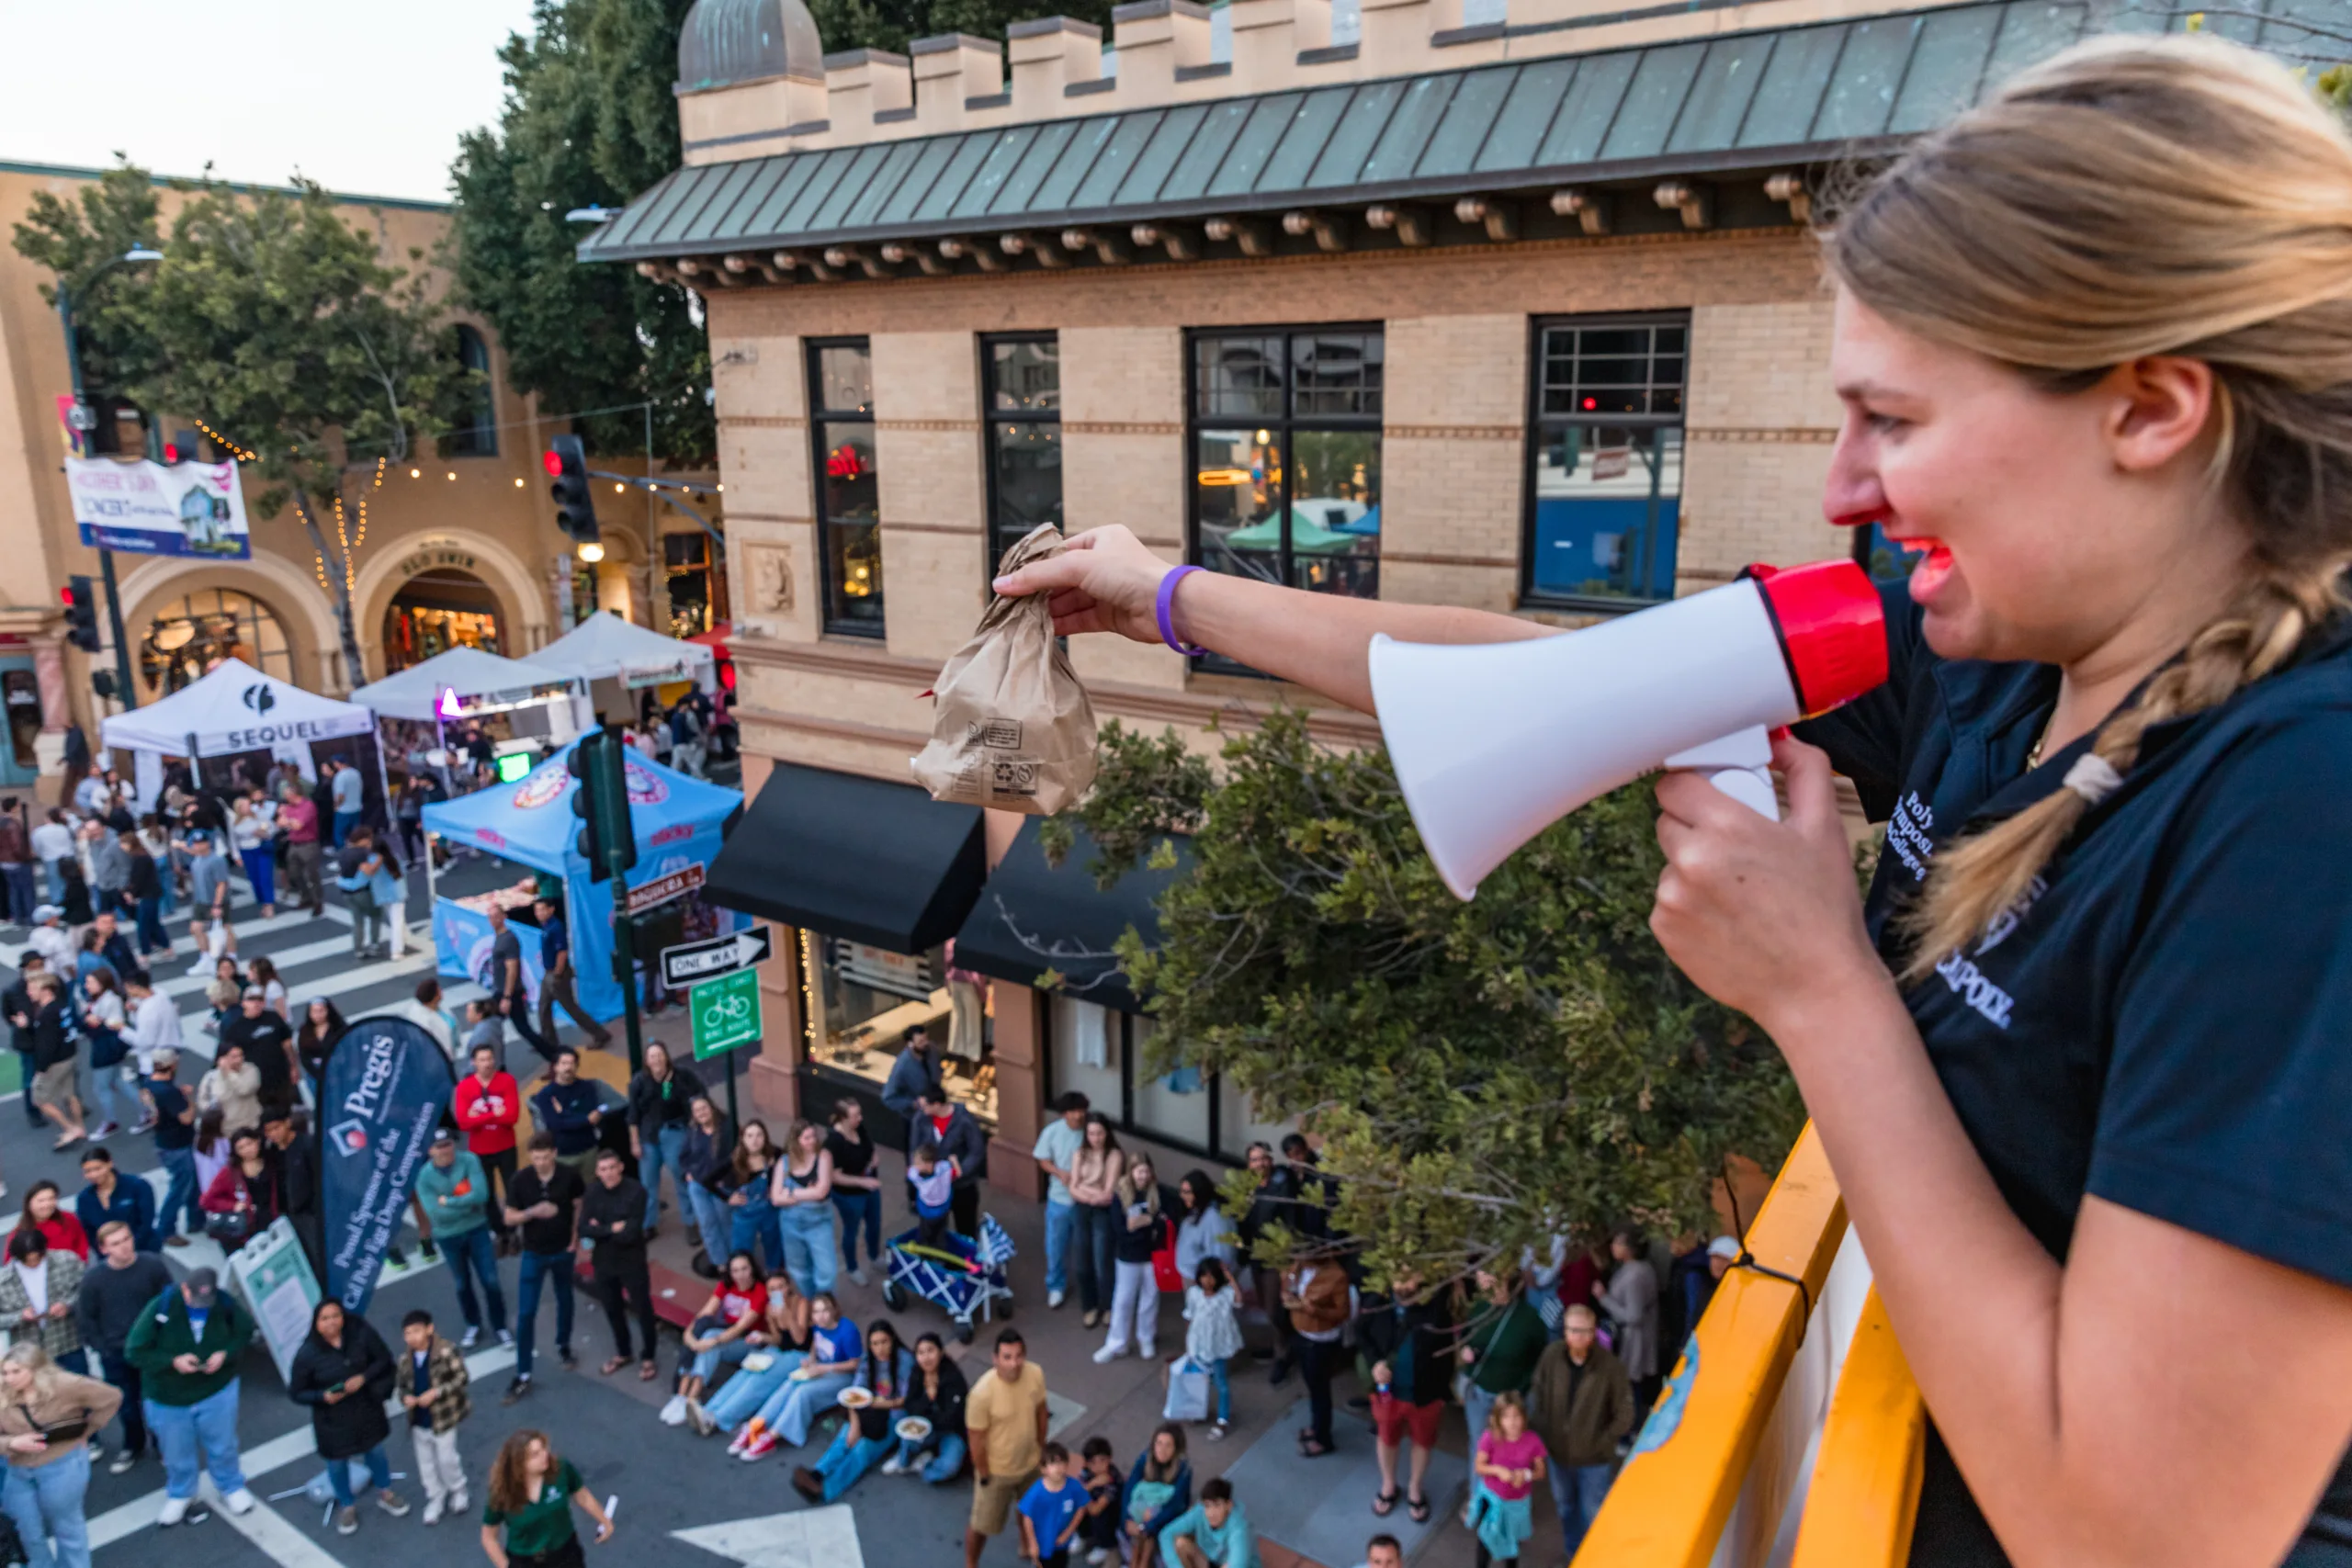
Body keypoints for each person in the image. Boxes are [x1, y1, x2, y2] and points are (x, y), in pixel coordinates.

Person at [125, 1268, 256, 1526]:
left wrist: (225, 1354)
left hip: (216, 1389)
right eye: (195, 1299)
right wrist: (172, 1361)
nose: (202, 1306)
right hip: (168, 1397)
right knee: (175, 1451)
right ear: (184, 1288)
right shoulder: (160, 1307)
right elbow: (134, 1350)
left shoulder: (223, 1302)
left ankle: (230, 1486)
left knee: (223, 1444)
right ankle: (181, 1493)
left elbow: (245, 1330)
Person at [288, 1298, 408, 1535]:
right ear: (316, 1323)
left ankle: (386, 1492)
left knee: (375, 1452)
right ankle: (347, 1505)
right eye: (325, 1318)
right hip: (332, 1420)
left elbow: (383, 1359)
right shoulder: (307, 1354)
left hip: (366, 1409)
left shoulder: (360, 1334)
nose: (332, 1322)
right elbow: (297, 1392)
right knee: (337, 1463)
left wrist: (363, 1378)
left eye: (336, 1316)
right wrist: (322, 1396)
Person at [0, 1341, 119, 1568]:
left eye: (17, 1372)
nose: (9, 1379)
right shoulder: (3, 1392)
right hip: (19, 1470)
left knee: (67, 1527)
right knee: (27, 1530)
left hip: (61, 1465)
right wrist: (11, 1442)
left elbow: (111, 1398)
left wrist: (87, 1430)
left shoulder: (65, 1385)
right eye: (5, 1372)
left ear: (35, 1369)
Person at [1527, 1303, 1633, 1558]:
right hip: (1558, 1455)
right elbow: (1537, 1393)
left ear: (1594, 1333)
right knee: (1565, 1508)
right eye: (1574, 1330)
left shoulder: (1610, 1367)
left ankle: (1593, 1559)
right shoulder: (1552, 1356)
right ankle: (1573, 1555)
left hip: (1594, 1460)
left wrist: (1604, 1442)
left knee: (1594, 1513)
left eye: (1586, 1331)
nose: (1579, 1337)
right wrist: (1541, 1433)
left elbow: (1625, 1413)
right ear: (1565, 1332)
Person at [72, 1222, 169, 1477]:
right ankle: (133, 1445)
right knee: (126, 1405)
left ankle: (162, 1446)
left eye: (126, 1238)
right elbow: (86, 1318)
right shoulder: (94, 1279)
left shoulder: (152, 1265)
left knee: (157, 1402)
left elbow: (170, 1302)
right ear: (103, 1249)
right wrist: (102, 1348)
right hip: (116, 1353)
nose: (125, 1246)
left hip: (151, 1350)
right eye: (116, 1243)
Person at [1359, 1271, 1451, 1527]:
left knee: (1423, 1441)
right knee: (1386, 1436)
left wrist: (1443, 1391)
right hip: (1388, 1391)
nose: (1405, 1287)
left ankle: (1414, 1487)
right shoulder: (1378, 1300)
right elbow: (1361, 1333)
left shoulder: (1435, 1307)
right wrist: (1375, 1361)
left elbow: (1446, 1350)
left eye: (1411, 1281)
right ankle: (1388, 1483)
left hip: (1425, 1392)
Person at [502, 1133, 584, 1404]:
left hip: (562, 1250)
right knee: (526, 1313)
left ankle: (564, 1345)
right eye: (536, 1158)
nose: (541, 1163)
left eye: (546, 1157)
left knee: (565, 1298)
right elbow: (509, 1217)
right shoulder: (521, 1180)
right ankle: (523, 1372)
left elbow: (578, 1205)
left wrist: (575, 1237)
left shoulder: (569, 1175)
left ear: (554, 1153)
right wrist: (532, 1212)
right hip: (534, 1252)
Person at [792, 1318, 910, 1504]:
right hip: (868, 1412)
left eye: (884, 1342)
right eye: (875, 1343)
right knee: (846, 1436)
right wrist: (855, 1423)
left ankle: (827, 1490)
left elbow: (905, 1400)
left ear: (893, 1340)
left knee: (862, 1449)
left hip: (894, 1417)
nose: (879, 1348)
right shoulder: (867, 1360)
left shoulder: (905, 1361)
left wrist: (875, 1404)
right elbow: (855, 1394)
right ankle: (817, 1474)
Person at [965, 1327, 1050, 1568]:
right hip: (997, 1472)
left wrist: (1041, 1448)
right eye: (1007, 1357)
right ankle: (971, 1562)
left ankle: (1025, 1543)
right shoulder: (981, 1394)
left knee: (1029, 1510)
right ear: (995, 1359)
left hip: (1030, 1463)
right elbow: (976, 1439)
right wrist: (984, 1473)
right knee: (981, 1525)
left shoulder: (1035, 1374)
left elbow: (1041, 1411)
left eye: (1019, 1356)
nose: (1014, 1363)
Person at [736, 1292, 858, 1455]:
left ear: (834, 1310)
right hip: (820, 1368)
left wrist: (824, 1368)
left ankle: (773, 1436)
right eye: (816, 1312)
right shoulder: (818, 1326)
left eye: (825, 1311)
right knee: (790, 1383)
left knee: (802, 1392)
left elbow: (855, 1364)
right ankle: (757, 1424)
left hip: (842, 1376)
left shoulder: (848, 1331)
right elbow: (816, 1342)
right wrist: (811, 1360)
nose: (820, 1316)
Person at [702, 1269, 818, 1441]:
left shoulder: (801, 1303)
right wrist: (763, 1337)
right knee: (747, 1372)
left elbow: (800, 1339)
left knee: (760, 1380)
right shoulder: (770, 1308)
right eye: (772, 1289)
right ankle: (709, 1410)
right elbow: (779, 1339)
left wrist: (786, 1314)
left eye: (781, 1287)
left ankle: (722, 1418)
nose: (778, 1292)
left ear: (789, 1287)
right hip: (779, 1350)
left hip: (800, 1355)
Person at [419, 1129, 509, 1348]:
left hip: (477, 1229)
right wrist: (467, 1205)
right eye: (439, 1147)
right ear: (431, 1151)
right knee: (462, 1284)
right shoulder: (424, 1177)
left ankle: (500, 1326)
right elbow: (435, 1214)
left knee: (491, 1280)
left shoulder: (469, 1160)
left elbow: (481, 1194)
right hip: (449, 1237)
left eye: (448, 1144)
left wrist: (448, 1202)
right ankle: (473, 1324)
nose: (445, 1150)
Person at [479, 1427, 611, 1568]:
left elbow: (582, 1496)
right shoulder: (502, 1493)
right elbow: (489, 1537)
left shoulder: (561, 1470)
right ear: (519, 1464)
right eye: (535, 1454)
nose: (545, 1455)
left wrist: (604, 1521)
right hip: (526, 1561)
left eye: (543, 1448)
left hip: (565, 1553)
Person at [579, 1148, 659, 1381]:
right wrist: (612, 1228)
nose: (609, 1173)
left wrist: (599, 1229)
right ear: (597, 1172)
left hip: (631, 1261)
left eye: (612, 1168)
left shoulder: (636, 1191)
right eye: (603, 1169)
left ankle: (648, 1356)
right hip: (603, 1262)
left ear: (621, 1167)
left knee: (643, 1308)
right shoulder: (593, 1192)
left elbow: (631, 1233)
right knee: (613, 1309)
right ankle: (623, 1352)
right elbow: (584, 1228)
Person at [669, 1252, 773, 1428]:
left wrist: (712, 1341)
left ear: (752, 1269)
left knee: (709, 1340)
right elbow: (706, 1312)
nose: (740, 1275)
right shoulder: (726, 1285)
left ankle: (691, 1397)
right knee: (701, 1328)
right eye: (735, 1270)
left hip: (748, 1342)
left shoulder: (760, 1291)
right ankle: (683, 1396)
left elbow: (740, 1328)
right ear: (730, 1273)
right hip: (724, 1335)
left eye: (744, 1269)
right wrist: (690, 1335)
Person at [1457, 1266, 1550, 1448]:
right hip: (1478, 1392)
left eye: (1496, 1286)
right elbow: (1466, 1336)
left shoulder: (1529, 1318)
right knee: (1479, 1446)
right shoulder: (1479, 1308)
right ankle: (1479, 1478)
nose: (1491, 1292)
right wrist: (1466, 1351)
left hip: (1511, 1398)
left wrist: (1522, 1389)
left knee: (1509, 1448)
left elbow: (1541, 1358)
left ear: (1511, 1286)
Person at [398, 1308, 471, 1526]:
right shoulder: (405, 1361)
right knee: (426, 1464)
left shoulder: (446, 1352)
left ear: (429, 1329)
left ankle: (458, 1490)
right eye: (408, 1333)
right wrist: (406, 1399)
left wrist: (437, 1392)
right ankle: (435, 1497)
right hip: (419, 1420)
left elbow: (462, 1378)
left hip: (443, 1418)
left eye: (417, 1331)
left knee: (447, 1459)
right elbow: (401, 1387)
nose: (412, 1337)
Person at [1093, 1154, 1167, 1365]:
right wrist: (1147, 1224)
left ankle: (1146, 1338)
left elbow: (1161, 1223)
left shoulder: (1157, 1193)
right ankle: (1117, 1343)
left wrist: (1141, 1222)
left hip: (1152, 1256)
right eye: (1138, 1171)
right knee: (1123, 1300)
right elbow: (1120, 1228)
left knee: (1150, 1298)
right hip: (1127, 1257)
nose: (1142, 1176)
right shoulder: (1120, 1195)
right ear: (1130, 1171)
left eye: (1146, 1171)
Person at [624, 1042, 702, 1237]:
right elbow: (633, 1114)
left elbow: (699, 1096)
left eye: (660, 1055)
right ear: (646, 1061)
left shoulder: (682, 1076)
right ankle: (648, 1224)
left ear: (666, 1056)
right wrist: (634, 1141)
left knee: (681, 1176)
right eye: (652, 1056)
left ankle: (690, 1221)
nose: (657, 1060)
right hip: (648, 1136)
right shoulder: (639, 1082)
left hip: (675, 1131)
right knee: (648, 1182)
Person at [1280, 1243, 1350, 1459]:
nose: (1300, 1260)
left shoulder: (1336, 1276)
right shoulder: (1299, 1267)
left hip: (1321, 1340)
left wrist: (1316, 1310)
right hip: (1302, 1333)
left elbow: (1342, 1312)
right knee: (1312, 1386)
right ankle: (1316, 1426)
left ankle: (1323, 1439)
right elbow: (1288, 1285)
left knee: (1320, 1390)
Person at [454, 1043, 523, 1254]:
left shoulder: (507, 1081)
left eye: (490, 1059)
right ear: (474, 1063)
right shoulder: (465, 1088)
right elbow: (464, 1123)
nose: (487, 1063)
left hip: (505, 1146)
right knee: (487, 1195)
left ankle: (512, 1232)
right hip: (480, 1151)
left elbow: (512, 1117)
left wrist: (480, 1118)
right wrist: (495, 1114)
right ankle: (500, 1233)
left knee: (513, 1190)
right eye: (482, 1059)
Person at [1466, 1392, 1544, 1568]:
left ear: (1524, 1417)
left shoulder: (1533, 1440)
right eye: (1506, 1417)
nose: (1512, 1422)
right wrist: (1497, 1470)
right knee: (1485, 1541)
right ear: (1498, 1419)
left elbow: (1540, 1471)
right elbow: (1479, 1466)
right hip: (1491, 1499)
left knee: (1512, 1544)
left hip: (1517, 1504)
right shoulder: (1489, 1437)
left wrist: (1525, 1475)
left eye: (1516, 1416)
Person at [885, 1330, 969, 1483]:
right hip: (924, 1426)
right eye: (921, 1353)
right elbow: (910, 1405)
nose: (926, 1357)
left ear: (941, 1352)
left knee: (949, 1467)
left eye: (931, 1350)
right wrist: (927, 1398)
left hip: (951, 1431)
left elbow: (952, 1417)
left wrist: (929, 1413)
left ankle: (925, 1466)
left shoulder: (953, 1378)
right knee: (907, 1433)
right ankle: (904, 1460)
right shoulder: (917, 1373)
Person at [531, 896, 612, 1052]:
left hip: (555, 974)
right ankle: (549, 1042)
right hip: (548, 973)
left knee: (571, 1008)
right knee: (543, 1007)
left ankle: (600, 1034)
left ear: (551, 909)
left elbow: (562, 952)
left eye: (542, 910)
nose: (538, 913)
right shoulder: (545, 926)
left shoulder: (556, 927)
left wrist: (557, 974)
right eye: (536, 910)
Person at [1594, 1228, 1661, 1414]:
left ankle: (1631, 1427)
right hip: (1632, 1336)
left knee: (1630, 1387)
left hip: (1633, 1339)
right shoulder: (1636, 1268)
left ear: (1629, 1249)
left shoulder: (1635, 1276)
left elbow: (1634, 1316)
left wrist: (1604, 1298)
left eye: (1618, 1243)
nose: (1612, 1246)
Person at [910, 1082, 989, 1239]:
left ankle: (965, 1261)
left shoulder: (964, 1120)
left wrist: (958, 1172)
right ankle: (939, 1259)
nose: (921, 1109)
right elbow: (914, 1147)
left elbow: (976, 1151)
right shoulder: (921, 1119)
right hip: (934, 1184)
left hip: (961, 1186)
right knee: (934, 1229)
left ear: (937, 1105)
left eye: (925, 1106)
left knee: (965, 1228)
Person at [1032, 1093, 1089, 1311]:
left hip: (1084, 1198)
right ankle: (1055, 1286)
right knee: (1055, 1245)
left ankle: (1086, 1286)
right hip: (1059, 1198)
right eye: (1075, 1111)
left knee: (1085, 1246)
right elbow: (1042, 1159)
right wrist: (1058, 1173)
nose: (1079, 1115)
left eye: (1082, 1110)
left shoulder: (1089, 1131)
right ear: (1065, 1113)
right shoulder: (1052, 1132)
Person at [771, 1119, 837, 1300]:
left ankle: (824, 1303)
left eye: (814, 1136)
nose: (812, 1141)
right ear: (796, 1140)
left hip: (818, 1222)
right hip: (790, 1224)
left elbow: (822, 1191)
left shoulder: (824, 1156)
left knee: (827, 1270)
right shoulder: (784, 1163)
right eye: (807, 1138)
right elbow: (775, 1198)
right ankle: (810, 1302)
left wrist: (791, 1193)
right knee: (798, 1269)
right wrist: (808, 1191)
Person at [1068, 1115, 1122, 1332]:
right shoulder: (1079, 1153)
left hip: (1103, 1212)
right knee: (1082, 1261)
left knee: (1102, 1262)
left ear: (1106, 1133)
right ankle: (1089, 1306)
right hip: (1082, 1208)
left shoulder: (1114, 1155)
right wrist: (1090, 1195)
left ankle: (1108, 1306)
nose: (1095, 1138)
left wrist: (1083, 1190)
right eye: (1091, 1133)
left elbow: (1108, 1194)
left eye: (1099, 1133)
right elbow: (1072, 1186)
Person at [0, 1233, 85, 1371]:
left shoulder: (67, 1261)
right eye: (28, 1261)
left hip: (67, 1342)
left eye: (38, 1259)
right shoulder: (3, 1280)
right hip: (30, 1352)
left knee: (81, 1390)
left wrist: (68, 1305)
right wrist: (19, 1316)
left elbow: (86, 1291)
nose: (34, 1263)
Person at [1182, 1258, 1243, 1442]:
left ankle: (1222, 1419)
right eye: (1203, 1276)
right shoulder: (1193, 1293)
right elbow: (1189, 1316)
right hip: (1199, 1345)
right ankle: (1197, 1411)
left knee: (1221, 1384)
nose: (1207, 1281)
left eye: (1211, 1277)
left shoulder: (1225, 1294)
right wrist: (1188, 1344)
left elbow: (1239, 1300)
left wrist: (1230, 1277)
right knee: (1199, 1381)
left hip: (1218, 1347)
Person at [824, 1098, 883, 1288]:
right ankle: (852, 1268)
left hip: (869, 1187)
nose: (860, 1118)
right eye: (855, 1116)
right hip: (849, 1195)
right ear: (843, 1118)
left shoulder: (859, 1128)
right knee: (852, 1230)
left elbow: (869, 1146)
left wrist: (874, 1158)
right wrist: (863, 1181)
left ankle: (874, 1256)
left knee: (874, 1224)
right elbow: (835, 1176)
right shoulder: (834, 1142)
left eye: (860, 1114)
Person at [141, 1053, 198, 1248]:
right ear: (172, 1066)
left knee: (191, 1182)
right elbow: (186, 1118)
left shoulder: (149, 1084)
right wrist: (189, 1100)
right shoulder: (170, 1093)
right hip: (178, 1144)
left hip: (163, 1141)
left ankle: (196, 1219)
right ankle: (166, 1228)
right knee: (181, 1187)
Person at [1118, 1424, 1193, 1568]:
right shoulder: (1145, 1459)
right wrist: (1126, 1520)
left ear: (1176, 1449)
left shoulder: (1183, 1469)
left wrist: (1148, 1526)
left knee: (1151, 1539)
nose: (1162, 1450)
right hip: (1142, 1511)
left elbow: (1175, 1505)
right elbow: (1129, 1490)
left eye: (1168, 1445)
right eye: (1158, 1443)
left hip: (1165, 1519)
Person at [260, 1108, 323, 1274]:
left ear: (287, 1123)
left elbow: (319, 1178)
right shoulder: (271, 1152)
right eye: (268, 1131)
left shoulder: (307, 1145)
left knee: (317, 1255)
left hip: (309, 1212)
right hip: (286, 1213)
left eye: (276, 1128)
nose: (273, 1134)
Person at [218, 986, 296, 1118]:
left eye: (260, 999)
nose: (256, 1003)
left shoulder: (273, 1017)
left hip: (280, 1077)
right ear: (243, 1003)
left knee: (285, 1113)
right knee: (261, 1116)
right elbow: (228, 1057)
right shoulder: (236, 1029)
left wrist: (294, 1067)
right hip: (256, 1082)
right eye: (251, 1000)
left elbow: (287, 1044)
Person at [22, 977, 81, 1151]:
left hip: (54, 1063)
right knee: (70, 1094)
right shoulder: (61, 1005)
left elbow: (47, 1045)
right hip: (69, 1056)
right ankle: (79, 1126)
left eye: (33, 988)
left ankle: (70, 1129)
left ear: (46, 990)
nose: (29, 992)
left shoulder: (47, 1014)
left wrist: (40, 1069)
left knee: (39, 1100)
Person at [679, 1094, 734, 1275]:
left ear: (712, 1108)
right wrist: (688, 1172)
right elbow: (684, 1156)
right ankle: (720, 1262)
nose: (701, 1113)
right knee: (707, 1223)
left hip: (720, 1185)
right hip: (699, 1185)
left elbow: (735, 1157)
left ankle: (734, 1258)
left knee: (726, 1222)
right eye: (697, 1111)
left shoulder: (727, 1128)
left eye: (704, 1108)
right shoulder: (693, 1132)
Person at [485, 903, 548, 1063]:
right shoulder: (500, 938)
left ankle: (552, 1055)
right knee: (493, 1026)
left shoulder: (508, 940)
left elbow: (512, 969)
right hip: (501, 991)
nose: (492, 920)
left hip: (508, 993)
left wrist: (507, 997)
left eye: (496, 916)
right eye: (490, 917)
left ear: (504, 917)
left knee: (522, 1028)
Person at [718, 1120, 783, 1271]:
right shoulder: (735, 1160)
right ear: (743, 1139)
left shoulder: (774, 1153)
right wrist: (727, 1198)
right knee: (741, 1251)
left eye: (759, 1135)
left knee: (774, 1245)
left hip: (769, 1210)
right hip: (745, 1214)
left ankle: (775, 1278)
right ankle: (743, 1282)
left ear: (765, 1137)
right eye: (750, 1135)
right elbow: (708, 1180)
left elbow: (789, 1164)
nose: (755, 1140)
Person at [74, 972, 131, 1141]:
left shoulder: (109, 1001)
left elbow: (112, 1026)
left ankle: (111, 1121)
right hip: (109, 1047)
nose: (87, 986)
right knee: (117, 1082)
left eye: (90, 982)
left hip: (106, 1048)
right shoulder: (101, 999)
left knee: (101, 1087)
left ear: (102, 983)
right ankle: (146, 1112)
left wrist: (94, 1022)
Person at [198, 1129, 278, 1250]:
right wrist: (232, 1205)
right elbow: (206, 1200)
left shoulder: (270, 1163)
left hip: (271, 1220)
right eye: (241, 1147)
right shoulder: (230, 1172)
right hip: (247, 1228)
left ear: (257, 1142)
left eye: (249, 1144)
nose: (247, 1150)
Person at [531, 1049, 605, 1177]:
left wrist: (563, 1113)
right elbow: (555, 1124)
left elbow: (593, 1118)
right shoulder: (545, 1095)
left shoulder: (588, 1087)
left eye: (572, 1063)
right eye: (564, 1063)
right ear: (555, 1067)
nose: (568, 1067)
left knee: (589, 1191)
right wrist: (585, 1120)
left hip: (588, 1150)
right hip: (563, 1155)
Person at [122, 975, 180, 1135]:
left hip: (152, 1059)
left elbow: (143, 1041)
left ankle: (163, 1124)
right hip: (170, 1050)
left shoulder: (147, 1011)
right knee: (167, 1090)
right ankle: (170, 1119)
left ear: (134, 987)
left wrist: (121, 1029)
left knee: (153, 1096)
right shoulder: (160, 994)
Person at [1159, 1476, 1257, 1568]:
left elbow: (1239, 1564)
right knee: (1180, 1543)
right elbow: (1166, 1534)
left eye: (1217, 1505)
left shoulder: (1239, 1526)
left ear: (1229, 1505)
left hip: (1234, 1564)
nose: (1211, 1513)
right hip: (1210, 1561)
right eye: (1207, 1506)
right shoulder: (1200, 1511)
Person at [71, 1150, 154, 1258]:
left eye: (98, 1168)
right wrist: (106, 1252)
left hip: (143, 1251)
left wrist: (128, 1249)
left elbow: (146, 1222)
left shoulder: (137, 1186)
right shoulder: (84, 1198)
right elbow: (89, 1232)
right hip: (110, 1258)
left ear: (110, 1163)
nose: (93, 1174)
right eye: (88, 1171)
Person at [1016, 1441, 1085, 1568]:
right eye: (1053, 1463)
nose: (1058, 1467)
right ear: (1043, 1469)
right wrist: (1032, 1543)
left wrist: (1068, 1533)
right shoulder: (1036, 1492)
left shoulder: (1074, 1486)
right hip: (1042, 1543)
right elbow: (1027, 1517)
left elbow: (1081, 1508)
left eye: (1061, 1462)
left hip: (1061, 1544)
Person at [1171, 1171, 1238, 1289]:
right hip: (1191, 1276)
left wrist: (1208, 1282)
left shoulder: (1215, 1217)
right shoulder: (1196, 1210)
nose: (1182, 1196)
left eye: (1187, 1192)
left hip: (1204, 1282)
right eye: (1181, 1191)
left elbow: (1220, 1254)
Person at [6, 955, 47, 1133]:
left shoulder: (48, 983)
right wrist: (19, 1024)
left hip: (47, 1037)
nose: (38, 969)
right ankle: (33, 1111)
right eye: (34, 966)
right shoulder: (13, 991)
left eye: (40, 966)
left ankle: (71, 1102)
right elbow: (7, 1013)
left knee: (62, 1072)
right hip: (28, 1041)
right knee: (30, 1077)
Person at [195, 1040, 262, 1137]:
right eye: (234, 1057)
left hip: (250, 1125)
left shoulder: (251, 1070)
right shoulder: (211, 1077)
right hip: (226, 1130)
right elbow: (202, 1099)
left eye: (241, 1055)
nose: (239, 1060)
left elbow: (244, 1090)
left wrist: (229, 1073)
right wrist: (210, 1109)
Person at [1073, 1436, 1123, 1566]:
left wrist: (1083, 1495)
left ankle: (1105, 1546)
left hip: (1110, 1516)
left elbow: (1096, 1510)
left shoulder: (1113, 1480)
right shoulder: (1086, 1472)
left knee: (1098, 1515)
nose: (1098, 1466)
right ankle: (1083, 1535)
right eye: (1092, 1463)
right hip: (1091, 1504)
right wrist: (1092, 1484)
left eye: (1102, 1460)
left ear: (1109, 1459)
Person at [226, 794, 277, 920]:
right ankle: (261, 901)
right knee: (255, 879)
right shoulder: (233, 820)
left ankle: (269, 904)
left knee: (265, 877)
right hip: (246, 851)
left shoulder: (259, 815)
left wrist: (263, 833)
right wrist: (236, 855)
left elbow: (272, 828)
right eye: (245, 806)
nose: (248, 808)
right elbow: (233, 839)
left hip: (261, 848)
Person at [119, 834, 169, 959]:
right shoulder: (142, 856)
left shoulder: (139, 858)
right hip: (151, 893)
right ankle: (166, 947)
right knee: (153, 923)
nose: (122, 846)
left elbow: (138, 879)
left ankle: (145, 953)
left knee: (144, 925)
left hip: (147, 895)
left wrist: (130, 892)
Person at [879, 1025, 938, 1132]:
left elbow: (936, 1070)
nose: (926, 1043)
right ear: (910, 1044)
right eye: (921, 1041)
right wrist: (914, 1103)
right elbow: (888, 1098)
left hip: (935, 1111)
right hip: (915, 1119)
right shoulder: (902, 1066)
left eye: (926, 1039)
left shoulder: (931, 1050)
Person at [11, 1188, 85, 1264]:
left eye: (51, 1199)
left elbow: (81, 1242)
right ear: (29, 1203)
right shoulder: (20, 1231)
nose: (47, 1204)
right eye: (41, 1201)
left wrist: (80, 1263)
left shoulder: (68, 1219)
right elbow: (11, 1261)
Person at [908, 1141, 957, 1252]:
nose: (915, 1165)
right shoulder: (944, 1168)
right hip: (943, 1208)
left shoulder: (916, 1176)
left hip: (926, 1211)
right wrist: (954, 1161)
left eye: (917, 1162)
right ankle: (940, 1256)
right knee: (941, 1234)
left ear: (928, 1164)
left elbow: (911, 1173)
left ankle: (923, 1255)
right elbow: (956, 1173)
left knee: (925, 1234)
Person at [295, 996, 348, 1087]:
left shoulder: (338, 1027)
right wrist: (317, 1074)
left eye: (321, 1011)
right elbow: (304, 1056)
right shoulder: (305, 1031)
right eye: (314, 1011)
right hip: (315, 1075)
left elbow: (347, 1048)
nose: (318, 1015)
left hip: (338, 1073)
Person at [30, 817, 73, 908]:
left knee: (54, 884)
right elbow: (70, 842)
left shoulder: (39, 831)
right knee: (67, 882)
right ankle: (69, 904)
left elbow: (36, 846)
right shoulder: (63, 829)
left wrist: (41, 855)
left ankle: (57, 905)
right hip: (66, 857)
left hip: (50, 858)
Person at [329, 754, 364, 849]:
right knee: (356, 833)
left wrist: (336, 806)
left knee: (339, 834)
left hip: (344, 810)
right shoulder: (356, 773)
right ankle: (358, 850)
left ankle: (343, 853)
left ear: (337, 763)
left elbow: (340, 795)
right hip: (356, 808)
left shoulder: (340, 777)